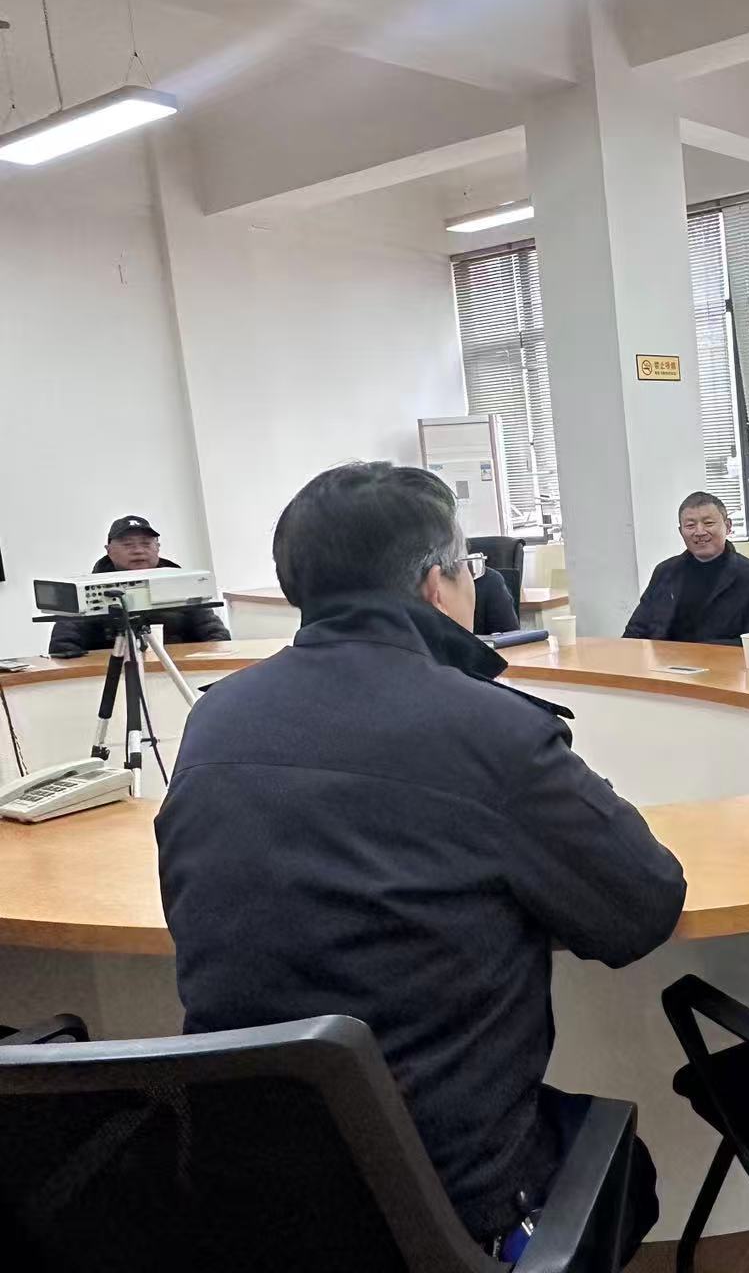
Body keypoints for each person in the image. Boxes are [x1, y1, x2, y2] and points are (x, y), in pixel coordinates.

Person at [155, 462, 685, 1263]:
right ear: (438, 585)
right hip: (445, 1200)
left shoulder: (215, 717)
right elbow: (643, 907)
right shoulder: (493, 731)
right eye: (469, 567)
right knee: (627, 1173)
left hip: (242, 1189)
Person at [46, 515, 231, 656]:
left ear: (157, 547)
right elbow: (63, 646)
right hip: (111, 674)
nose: (138, 551)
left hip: (179, 670)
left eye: (146, 544)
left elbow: (215, 635)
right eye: (128, 545)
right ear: (109, 550)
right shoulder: (88, 591)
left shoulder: (181, 583)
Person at [623, 491, 749, 647]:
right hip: (664, 660)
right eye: (690, 525)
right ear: (681, 532)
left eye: (708, 523)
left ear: (728, 526)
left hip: (724, 661)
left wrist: (698, 653)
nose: (699, 532)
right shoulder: (665, 572)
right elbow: (636, 630)